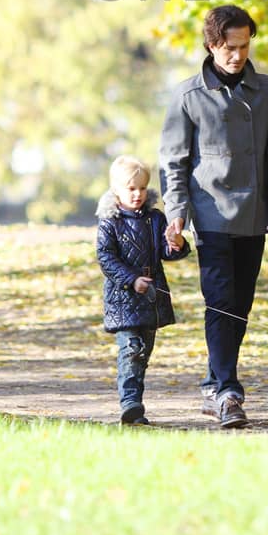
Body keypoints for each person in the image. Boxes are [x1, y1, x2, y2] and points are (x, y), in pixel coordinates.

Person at [159, 4, 268, 430]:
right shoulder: (188, 95)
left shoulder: (267, 90)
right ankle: (227, 391)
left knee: (241, 304)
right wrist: (177, 213)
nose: (236, 55)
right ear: (211, 44)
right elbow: (173, 161)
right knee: (220, 303)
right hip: (210, 214)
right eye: (227, 46)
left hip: (255, 215)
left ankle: (212, 383)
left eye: (243, 45)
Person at [95, 155, 190, 426]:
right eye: (131, 189)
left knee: (143, 354)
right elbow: (106, 258)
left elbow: (167, 253)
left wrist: (176, 242)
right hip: (123, 299)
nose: (137, 194)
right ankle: (130, 404)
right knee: (131, 349)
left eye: (142, 188)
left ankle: (135, 405)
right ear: (116, 190)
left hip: (151, 298)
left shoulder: (155, 218)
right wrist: (132, 280)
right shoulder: (109, 222)